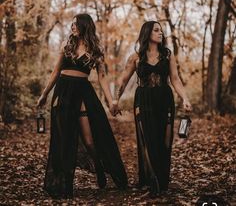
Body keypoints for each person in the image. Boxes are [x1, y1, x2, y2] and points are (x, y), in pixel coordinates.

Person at [37, 13, 127, 199]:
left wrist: (111, 102)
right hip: (63, 93)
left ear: (85, 26)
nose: (72, 27)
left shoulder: (95, 50)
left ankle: (99, 167)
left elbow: (102, 77)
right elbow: (55, 71)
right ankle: (62, 184)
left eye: (76, 24)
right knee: (63, 140)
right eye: (71, 24)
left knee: (89, 140)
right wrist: (45, 94)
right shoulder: (66, 46)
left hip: (83, 93)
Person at [114, 21, 192, 198]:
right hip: (144, 100)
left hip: (165, 99)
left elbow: (175, 79)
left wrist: (185, 98)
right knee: (146, 140)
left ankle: (162, 178)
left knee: (165, 141)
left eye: (161, 31)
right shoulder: (136, 57)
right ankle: (153, 179)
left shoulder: (167, 54)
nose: (160, 33)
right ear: (147, 33)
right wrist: (115, 100)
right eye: (156, 30)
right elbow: (123, 80)